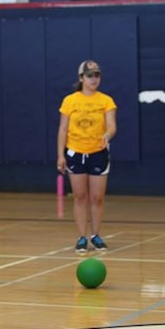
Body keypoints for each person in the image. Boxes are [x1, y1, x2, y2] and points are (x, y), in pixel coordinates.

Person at [56, 60, 117, 254]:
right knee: (80, 197)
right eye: (90, 76)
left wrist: (107, 134)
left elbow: (112, 125)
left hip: (98, 154)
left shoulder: (106, 100)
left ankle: (96, 235)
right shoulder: (70, 101)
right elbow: (63, 129)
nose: (94, 79)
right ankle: (82, 237)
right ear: (81, 78)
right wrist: (60, 155)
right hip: (75, 153)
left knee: (97, 198)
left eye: (97, 75)